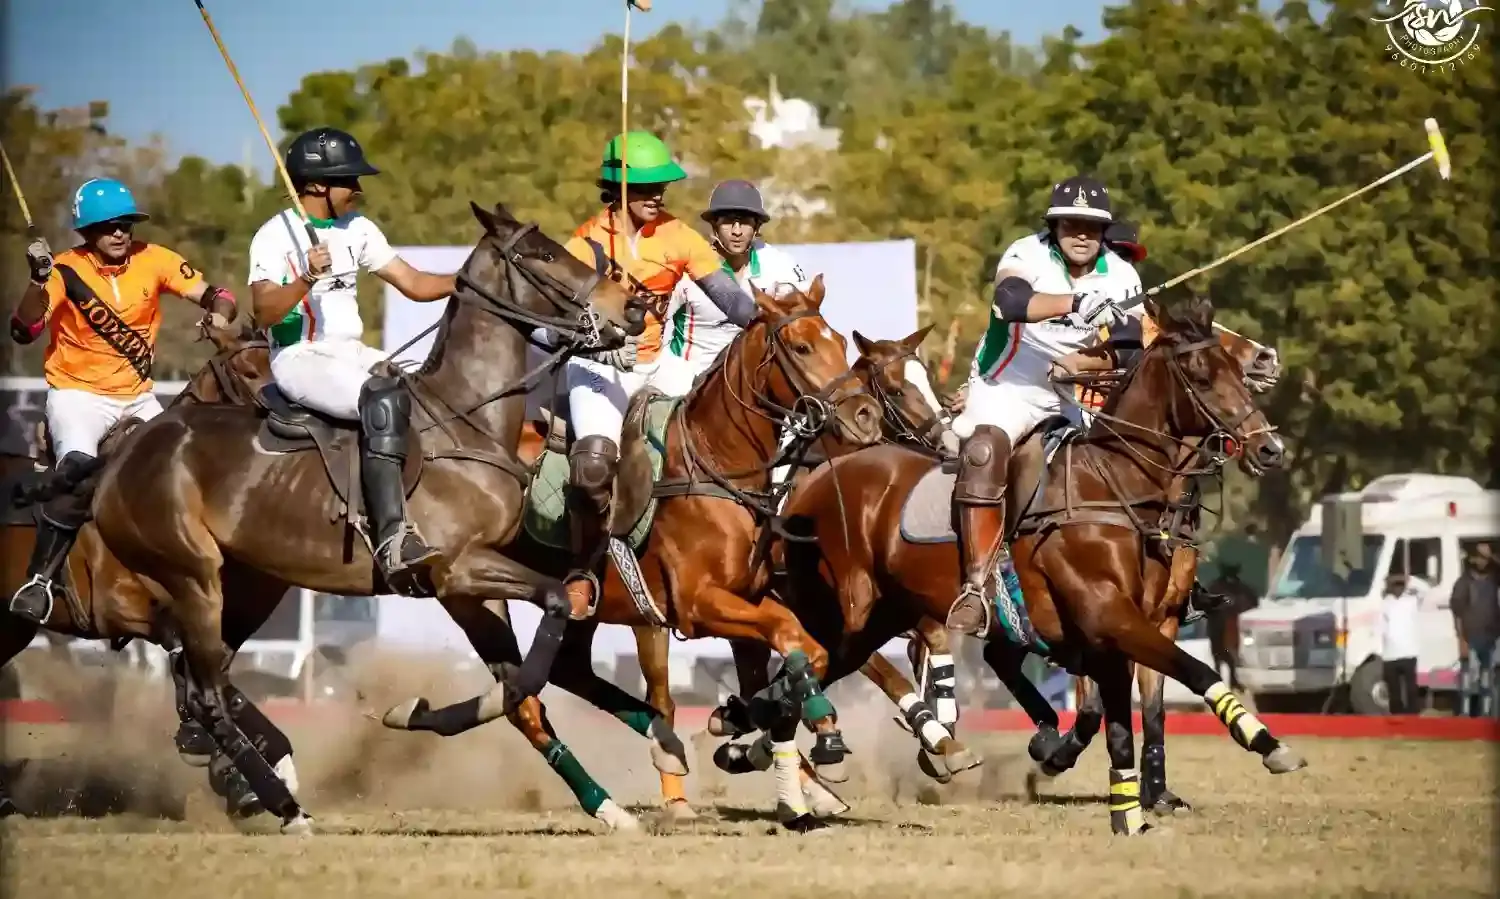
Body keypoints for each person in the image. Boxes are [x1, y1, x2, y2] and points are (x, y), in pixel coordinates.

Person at [6, 178, 239, 624]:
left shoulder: (154, 258)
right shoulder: (62, 270)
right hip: (79, 397)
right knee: (77, 473)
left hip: (138, 398)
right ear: (87, 231)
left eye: (126, 224)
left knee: (188, 471)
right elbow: (24, 329)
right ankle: (38, 582)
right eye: (108, 225)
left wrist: (218, 315)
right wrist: (38, 281)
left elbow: (219, 295)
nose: (119, 233)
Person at [559, 132, 759, 618]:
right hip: (600, 369)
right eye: (647, 187)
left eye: (662, 186)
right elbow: (554, 326)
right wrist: (600, 346)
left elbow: (731, 301)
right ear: (617, 188)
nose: (658, 195)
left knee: (728, 427)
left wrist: (771, 322)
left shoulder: (679, 236)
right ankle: (583, 570)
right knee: (593, 465)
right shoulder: (585, 243)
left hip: (658, 364)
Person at [248, 127, 457, 591]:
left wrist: (467, 280)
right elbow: (263, 312)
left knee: (425, 391)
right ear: (316, 185)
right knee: (381, 398)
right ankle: (391, 539)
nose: (358, 189)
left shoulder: (358, 229)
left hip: (352, 353)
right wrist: (306, 277)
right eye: (349, 180)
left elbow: (414, 283)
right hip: (301, 356)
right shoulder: (273, 236)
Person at [944, 175, 1142, 637]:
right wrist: (1076, 302)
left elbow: (1130, 347)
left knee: (1126, 460)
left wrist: (1083, 361)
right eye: (1070, 224)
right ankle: (975, 587)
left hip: (1071, 390)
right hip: (1009, 383)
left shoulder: (1123, 275)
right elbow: (1009, 300)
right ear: (1054, 226)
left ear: (1103, 231)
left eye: (1091, 227)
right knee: (985, 450)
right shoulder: (1026, 253)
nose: (1081, 235)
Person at [654, 179, 809, 396]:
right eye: (728, 222)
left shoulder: (781, 265)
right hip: (688, 385)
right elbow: (653, 326)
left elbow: (804, 328)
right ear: (714, 225)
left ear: (757, 226)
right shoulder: (685, 269)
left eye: (745, 222)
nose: (737, 231)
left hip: (754, 384)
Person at [1451, 543, 1499, 717]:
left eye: (1485, 558)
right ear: (1472, 559)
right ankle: (1465, 714)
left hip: (1490, 638)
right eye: (1479, 557)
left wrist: (1492, 556)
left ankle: (1485, 713)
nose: (1482, 561)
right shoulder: (1464, 582)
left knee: (1487, 678)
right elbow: (1457, 612)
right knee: (1467, 678)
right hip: (1469, 637)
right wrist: (1461, 639)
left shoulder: (1494, 579)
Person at [1381, 572, 1424, 714]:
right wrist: (1390, 580)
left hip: (1409, 652)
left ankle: (1412, 718)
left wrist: (1407, 579)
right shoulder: (1385, 602)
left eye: (1401, 585)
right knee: (1394, 692)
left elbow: (1424, 589)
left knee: (1411, 689)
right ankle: (1396, 717)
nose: (1398, 588)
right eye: (1395, 585)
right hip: (1390, 654)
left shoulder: (1412, 601)